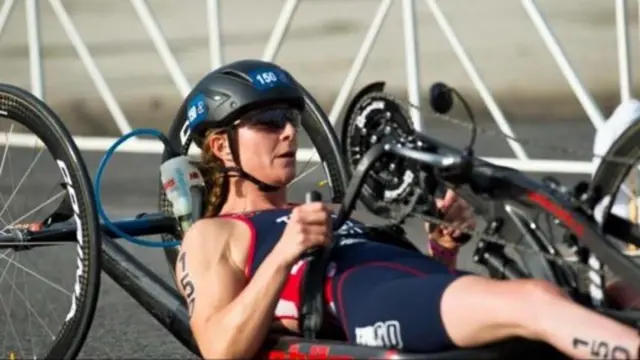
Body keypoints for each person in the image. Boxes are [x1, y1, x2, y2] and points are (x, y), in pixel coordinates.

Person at [173, 59, 639, 359]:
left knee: (619, 297)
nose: (290, 133)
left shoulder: (324, 211)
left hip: (411, 291)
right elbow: (218, 348)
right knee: (536, 301)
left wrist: (442, 247)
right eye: (269, 123)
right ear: (222, 146)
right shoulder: (214, 235)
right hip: (367, 304)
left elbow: (417, 288)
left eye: (291, 120)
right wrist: (284, 253)